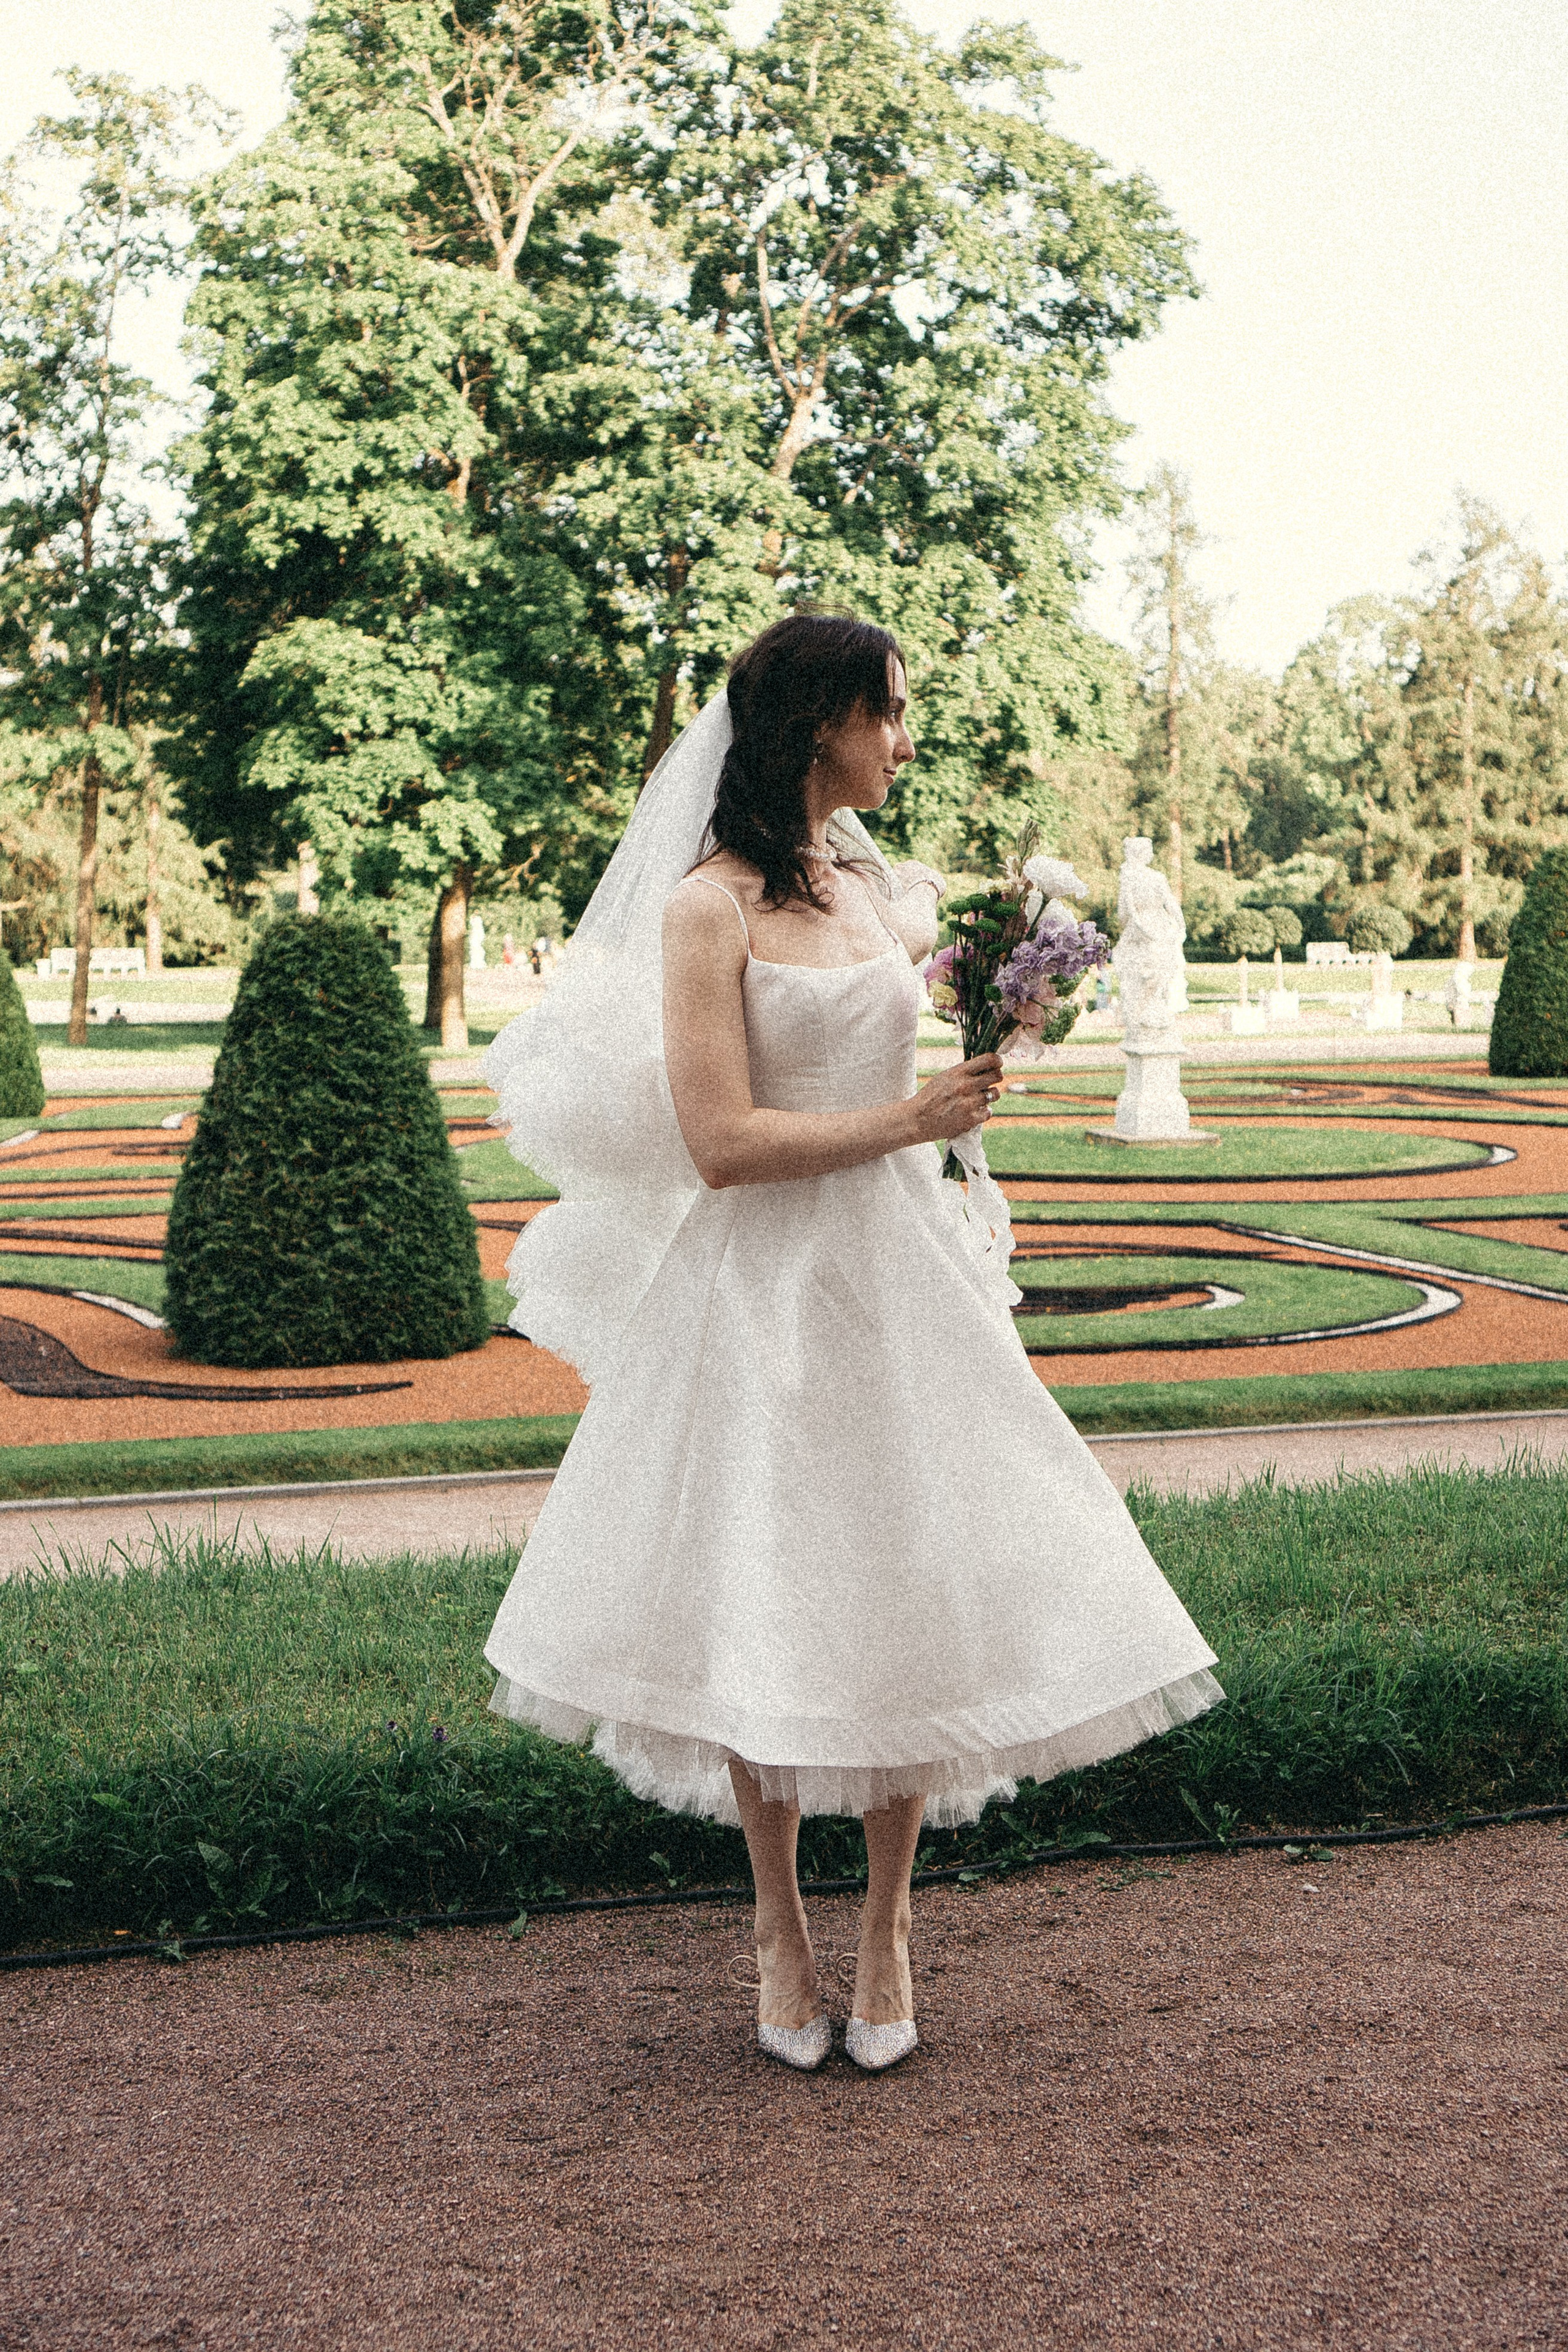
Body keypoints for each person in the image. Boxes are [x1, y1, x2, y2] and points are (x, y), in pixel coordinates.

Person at [484, 616, 1221, 2075]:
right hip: (759, 1292)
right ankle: (777, 1927)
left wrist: (991, 1044)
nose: (904, 738)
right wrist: (911, 1120)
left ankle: (884, 1924)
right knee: (764, 1580)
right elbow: (718, 1143)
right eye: (887, 713)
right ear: (818, 721)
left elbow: (917, 1059)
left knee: (907, 1577)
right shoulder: (708, 909)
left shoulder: (879, 885)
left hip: (901, 1277)